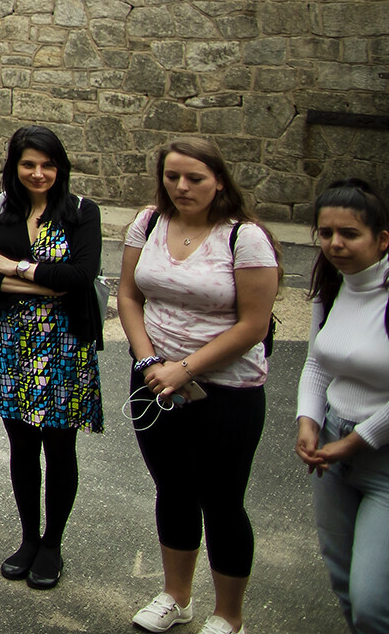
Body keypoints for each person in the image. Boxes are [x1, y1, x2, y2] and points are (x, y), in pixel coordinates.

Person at [119, 137, 280, 634]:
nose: (182, 187)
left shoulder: (244, 237)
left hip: (227, 391)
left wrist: (183, 369)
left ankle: (228, 616)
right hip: (154, 379)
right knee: (173, 490)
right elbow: (128, 295)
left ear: (219, 181)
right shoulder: (148, 222)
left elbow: (253, 325)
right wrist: (149, 360)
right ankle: (176, 596)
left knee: (223, 500)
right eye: (172, 177)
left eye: (195, 178)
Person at [0, 126, 103, 590]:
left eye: (47, 164)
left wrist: (18, 267)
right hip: (9, 341)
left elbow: (82, 276)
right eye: (29, 164)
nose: (38, 173)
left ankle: (53, 543)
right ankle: (27, 539)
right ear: (15, 166)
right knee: (22, 446)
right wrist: (46, 282)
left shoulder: (82, 212)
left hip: (64, 344)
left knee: (60, 448)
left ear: (60, 166)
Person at [296, 179, 389, 634]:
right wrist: (308, 420)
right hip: (332, 448)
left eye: (349, 234)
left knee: (375, 604)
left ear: (382, 239)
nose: (335, 243)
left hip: (380, 457)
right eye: (326, 232)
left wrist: (358, 440)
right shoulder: (331, 285)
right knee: (346, 585)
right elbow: (317, 362)